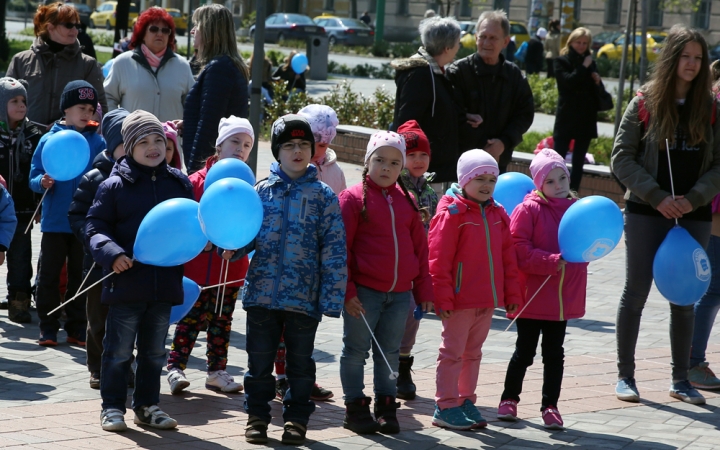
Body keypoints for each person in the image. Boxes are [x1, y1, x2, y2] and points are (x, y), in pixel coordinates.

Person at [611, 25, 720, 406]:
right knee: (636, 293)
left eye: (698, 58)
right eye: (685, 56)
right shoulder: (644, 101)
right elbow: (621, 158)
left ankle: (680, 380)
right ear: (671, 58)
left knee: (685, 298)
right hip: (646, 211)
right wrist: (657, 197)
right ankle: (625, 376)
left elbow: (719, 164)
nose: (691, 64)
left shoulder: (711, 106)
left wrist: (693, 199)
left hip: (694, 214)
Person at [240, 115, 347, 446]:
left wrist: (331, 299)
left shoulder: (323, 196)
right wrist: (230, 247)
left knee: (300, 365)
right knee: (259, 363)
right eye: (289, 145)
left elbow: (334, 251)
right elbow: (244, 234)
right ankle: (257, 417)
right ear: (277, 152)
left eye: (304, 145)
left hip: (304, 299)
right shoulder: (261, 192)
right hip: (261, 294)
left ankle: (296, 419)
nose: (297, 151)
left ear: (312, 150)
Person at [87, 110, 191, 432]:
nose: (153, 147)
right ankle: (112, 406)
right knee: (117, 350)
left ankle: (147, 405)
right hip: (126, 283)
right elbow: (94, 226)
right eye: (143, 141)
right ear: (128, 146)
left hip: (163, 285)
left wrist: (204, 242)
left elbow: (192, 223)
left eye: (158, 139)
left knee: (154, 352)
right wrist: (112, 253)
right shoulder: (114, 185)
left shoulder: (179, 182)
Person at [339, 130, 434, 435]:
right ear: (368, 162)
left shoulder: (406, 201)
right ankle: (355, 406)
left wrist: (423, 291)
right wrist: (348, 291)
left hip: (400, 294)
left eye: (395, 163)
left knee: (389, 352)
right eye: (379, 160)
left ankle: (386, 405)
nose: (386, 168)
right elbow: (341, 250)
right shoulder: (353, 199)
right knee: (355, 351)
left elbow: (420, 251)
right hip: (364, 293)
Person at [428, 149, 521, 430]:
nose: (486, 185)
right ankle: (445, 404)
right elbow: (438, 258)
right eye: (479, 178)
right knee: (452, 353)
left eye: (491, 179)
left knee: (473, 353)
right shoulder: (452, 213)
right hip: (459, 301)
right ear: (464, 179)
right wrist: (441, 296)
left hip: (486, 300)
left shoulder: (497, 212)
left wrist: (513, 295)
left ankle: (466, 399)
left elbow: (509, 257)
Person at [497, 149, 588, 430]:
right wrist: (550, 261)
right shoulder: (528, 209)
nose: (559, 185)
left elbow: (586, 246)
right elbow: (517, 249)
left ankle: (550, 405)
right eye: (550, 181)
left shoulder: (578, 209)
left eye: (562, 177)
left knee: (554, 354)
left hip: (561, 299)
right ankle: (509, 398)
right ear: (538, 184)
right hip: (532, 297)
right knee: (524, 352)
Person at [166, 116, 252, 395]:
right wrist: (199, 240)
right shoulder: (195, 181)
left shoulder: (248, 186)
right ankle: (175, 367)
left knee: (221, 322)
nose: (240, 148)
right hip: (196, 269)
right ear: (219, 147)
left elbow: (251, 223)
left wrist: (239, 247)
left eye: (247, 144)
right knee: (189, 320)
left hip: (230, 269)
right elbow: (185, 220)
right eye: (234, 142)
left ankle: (217, 371)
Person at [267, 104, 344, 404]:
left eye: (323, 144)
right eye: (317, 143)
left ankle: (302, 379)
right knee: (278, 336)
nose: (318, 151)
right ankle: (280, 378)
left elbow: (336, 223)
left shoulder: (334, 174)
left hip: (308, 272)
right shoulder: (274, 181)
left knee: (303, 337)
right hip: (278, 274)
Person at [29, 81, 105, 347]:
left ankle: (76, 326)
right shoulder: (49, 139)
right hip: (54, 221)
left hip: (84, 222)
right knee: (48, 275)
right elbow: (34, 173)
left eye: (91, 109)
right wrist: (42, 182)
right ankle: (47, 327)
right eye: (80, 107)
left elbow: (105, 173)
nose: (87, 113)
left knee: (79, 275)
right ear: (66, 110)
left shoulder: (97, 141)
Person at [68, 107, 130, 389]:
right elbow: (78, 215)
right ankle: (96, 366)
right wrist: (93, 242)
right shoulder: (94, 177)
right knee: (98, 319)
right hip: (97, 265)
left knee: (127, 321)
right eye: (126, 145)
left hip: (129, 264)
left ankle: (124, 366)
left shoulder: (140, 179)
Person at [447, 10, 534, 174]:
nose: (486, 42)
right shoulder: (458, 72)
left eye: (493, 38)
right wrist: (484, 148)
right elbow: (451, 114)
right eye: (482, 36)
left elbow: (525, 114)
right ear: (475, 38)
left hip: (499, 161)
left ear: (506, 42)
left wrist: (503, 143)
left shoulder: (514, 75)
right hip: (463, 162)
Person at [7, 2, 107, 129]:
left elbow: (100, 108)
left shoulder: (88, 64)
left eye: (77, 26)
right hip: (24, 141)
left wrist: (66, 123)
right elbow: (4, 100)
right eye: (69, 25)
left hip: (69, 141)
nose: (75, 31)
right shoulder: (20, 61)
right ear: (50, 27)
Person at [391, 16, 464, 184]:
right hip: (425, 173)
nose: (458, 48)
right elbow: (407, 123)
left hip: (434, 168)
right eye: (457, 43)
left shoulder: (434, 72)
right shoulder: (421, 74)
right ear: (447, 48)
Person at [395, 119, 438, 400]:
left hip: (420, 268)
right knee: (393, 317)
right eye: (411, 155)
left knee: (413, 316)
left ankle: (403, 365)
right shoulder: (395, 189)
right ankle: (385, 364)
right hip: (395, 265)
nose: (418, 160)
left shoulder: (432, 194)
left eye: (423, 154)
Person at [183, 4, 249, 173]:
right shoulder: (226, 65)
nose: (192, 31)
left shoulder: (220, 69)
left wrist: (195, 174)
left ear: (208, 31)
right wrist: (189, 123)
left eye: (196, 25)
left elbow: (209, 128)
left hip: (211, 170)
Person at [103, 7, 195, 123]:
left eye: (165, 30)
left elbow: (193, 104)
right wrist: (117, 127)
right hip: (132, 140)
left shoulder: (182, 66)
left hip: (172, 140)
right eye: (154, 29)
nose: (160, 34)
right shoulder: (122, 62)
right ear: (142, 33)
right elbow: (107, 97)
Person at [687, 68, 720, 391]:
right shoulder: (715, 104)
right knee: (712, 289)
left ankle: (692, 359)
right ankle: (692, 361)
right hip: (714, 207)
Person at [0, 78, 42, 322]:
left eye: (24, 101)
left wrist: (38, 203)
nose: (21, 106)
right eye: (14, 101)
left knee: (20, 256)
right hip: (0, 209)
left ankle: (19, 299)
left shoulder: (33, 135)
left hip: (23, 209)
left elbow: (38, 170)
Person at [553, 27, 601, 192]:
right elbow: (567, 82)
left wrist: (597, 81)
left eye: (584, 43)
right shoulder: (562, 61)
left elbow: (596, 92)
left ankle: (573, 192)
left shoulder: (590, 63)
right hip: (567, 115)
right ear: (571, 42)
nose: (581, 46)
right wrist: (583, 67)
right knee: (558, 157)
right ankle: (555, 190)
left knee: (579, 161)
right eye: (578, 42)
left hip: (585, 116)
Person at [298, 104, 346, 194]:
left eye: (322, 146)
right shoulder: (294, 168)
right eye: (309, 144)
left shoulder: (336, 170)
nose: (315, 151)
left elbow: (342, 199)